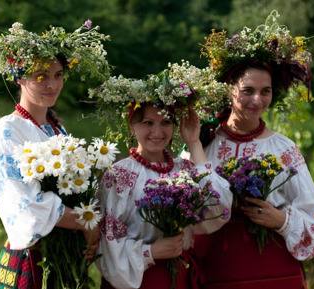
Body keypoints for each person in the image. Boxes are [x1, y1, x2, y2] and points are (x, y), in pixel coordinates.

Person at [0, 21, 111, 288]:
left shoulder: (57, 129)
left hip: (64, 256)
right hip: (32, 260)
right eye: (41, 75)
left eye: (57, 74)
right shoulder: (7, 130)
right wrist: (86, 224)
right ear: (19, 77)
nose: (52, 84)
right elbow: (27, 206)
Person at [189, 10, 314, 289]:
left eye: (266, 91)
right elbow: (181, 204)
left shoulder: (284, 149)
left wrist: (282, 220)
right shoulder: (202, 143)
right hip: (215, 270)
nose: (257, 100)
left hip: (273, 271)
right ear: (230, 89)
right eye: (248, 90)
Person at [89, 71, 232, 289]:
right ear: (132, 125)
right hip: (138, 281)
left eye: (166, 122)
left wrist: (194, 143)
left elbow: (221, 208)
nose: (157, 132)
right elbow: (107, 244)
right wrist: (151, 252)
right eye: (148, 122)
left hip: (179, 277)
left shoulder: (183, 168)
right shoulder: (118, 176)